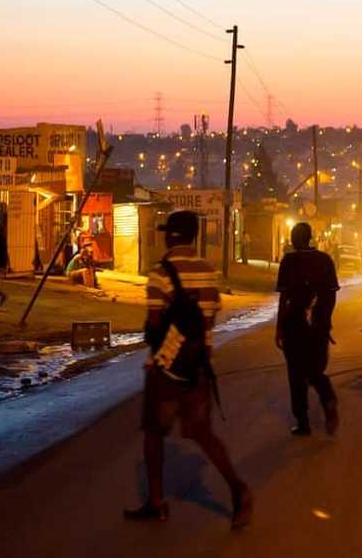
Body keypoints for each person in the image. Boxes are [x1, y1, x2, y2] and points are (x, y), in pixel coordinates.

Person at [125, 210, 253, 528]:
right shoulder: (208, 272)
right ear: (194, 237)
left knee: (154, 432)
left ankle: (157, 503)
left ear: (171, 236)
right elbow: (210, 319)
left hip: (165, 368)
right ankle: (238, 489)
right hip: (198, 366)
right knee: (202, 432)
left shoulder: (160, 273)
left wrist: (158, 354)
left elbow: (154, 325)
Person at [276, 222, 340, 437]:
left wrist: (279, 328)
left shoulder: (288, 261)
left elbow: (284, 298)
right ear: (310, 237)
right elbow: (331, 295)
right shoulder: (325, 260)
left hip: (294, 325)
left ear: (294, 239)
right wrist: (324, 321)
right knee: (315, 370)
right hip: (318, 326)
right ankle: (327, 398)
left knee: (296, 374)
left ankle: (303, 422)